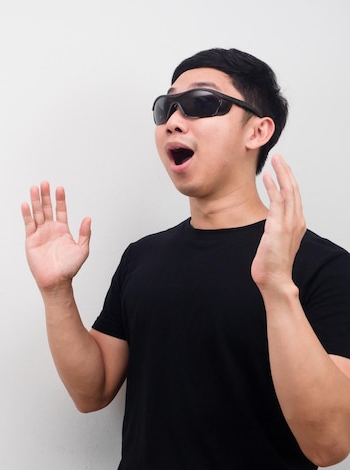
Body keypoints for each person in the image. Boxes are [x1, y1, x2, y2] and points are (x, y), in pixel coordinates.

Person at [20, 48, 350, 469]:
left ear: (257, 131)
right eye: (166, 107)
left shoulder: (322, 266)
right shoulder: (143, 257)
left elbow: (330, 444)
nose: (174, 120)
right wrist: (55, 292)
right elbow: (93, 390)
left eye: (201, 104)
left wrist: (277, 287)